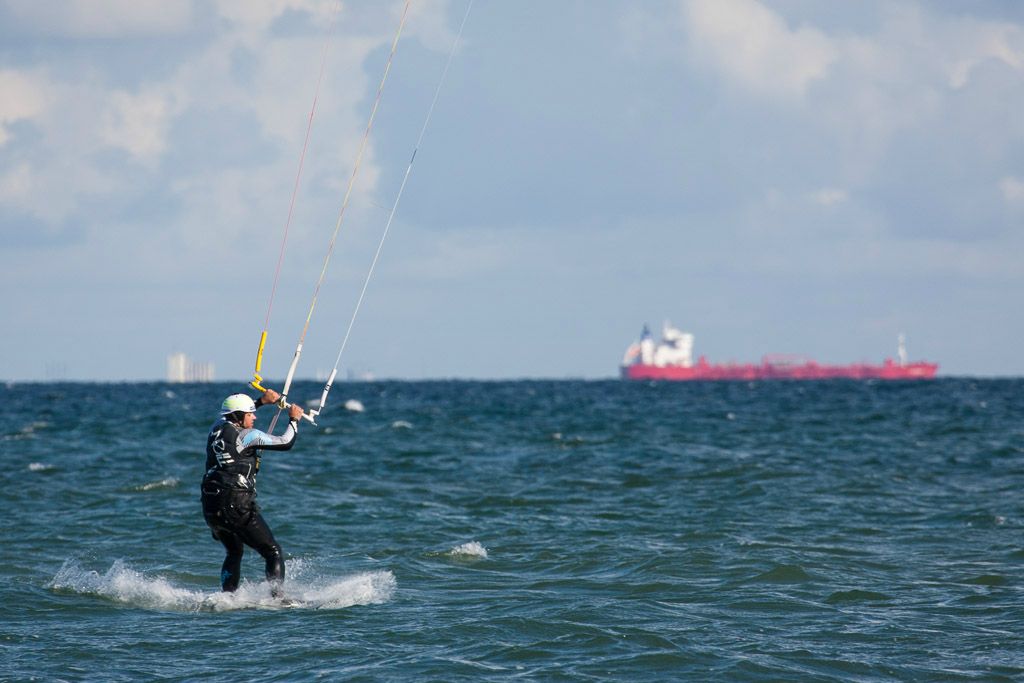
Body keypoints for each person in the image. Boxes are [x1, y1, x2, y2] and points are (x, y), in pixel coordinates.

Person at [200, 389, 303, 598]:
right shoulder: (248, 436)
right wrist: (294, 419)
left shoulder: (215, 429)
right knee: (272, 551)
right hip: (236, 504)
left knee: (234, 551)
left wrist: (262, 401)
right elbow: (286, 442)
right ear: (239, 417)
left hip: (210, 505)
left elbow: (235, 412)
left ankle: (227, 597)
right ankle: (277, 599)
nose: (254, 416)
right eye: (250, 414)